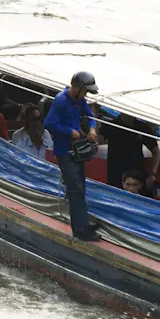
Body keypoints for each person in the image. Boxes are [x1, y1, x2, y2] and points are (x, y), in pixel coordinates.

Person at [44, 71, 100, 241]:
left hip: (76, 151)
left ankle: (82, 223)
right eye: (85, 91)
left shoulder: (80, 101)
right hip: (64, 151)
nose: (86, 95)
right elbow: (49, 123)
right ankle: (81, 230)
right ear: (77, 88)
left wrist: (92, 129)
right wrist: (69, 132)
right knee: (75, 189)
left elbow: (90, 116)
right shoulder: (61, 100)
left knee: (80, 187)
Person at [99, 113, 160, 191]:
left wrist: (152, 174)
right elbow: (97, 143)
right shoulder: (109, 126)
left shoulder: (142, 127)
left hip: (137, 177)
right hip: (115, 176)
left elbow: (156, 151)